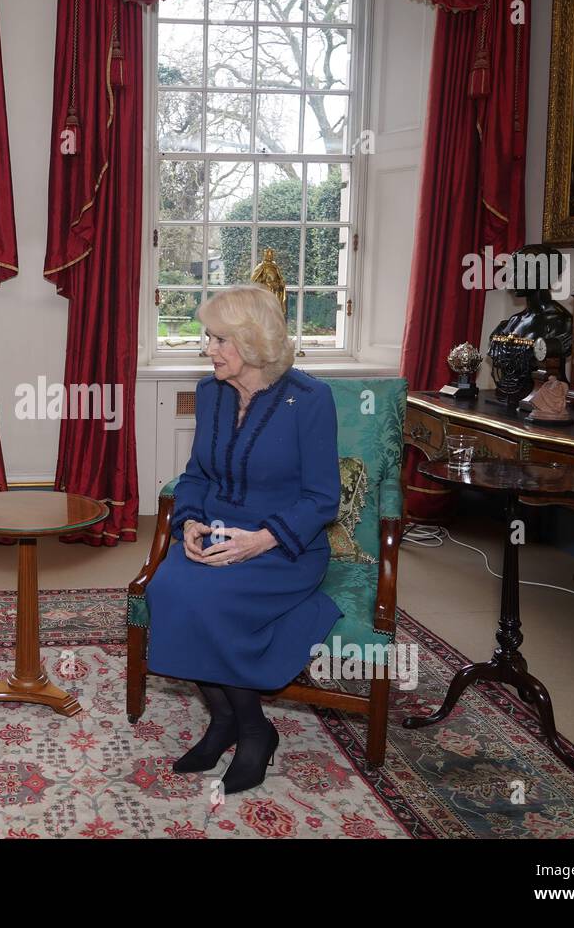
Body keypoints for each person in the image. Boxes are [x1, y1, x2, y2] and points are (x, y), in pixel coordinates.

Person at [145, 285, 342, 794]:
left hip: (281, 546)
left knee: (207, 602)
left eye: (219, 339)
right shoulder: (210, 393)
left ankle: (254, 729)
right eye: (208, 337)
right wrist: (187, 522)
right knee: (166, 589)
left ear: (253, 343)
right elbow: (195, 476)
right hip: (214, 536)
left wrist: (260, 540)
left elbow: (323, 499)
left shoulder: (310, 399)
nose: (207, 348)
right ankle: (223, 718)